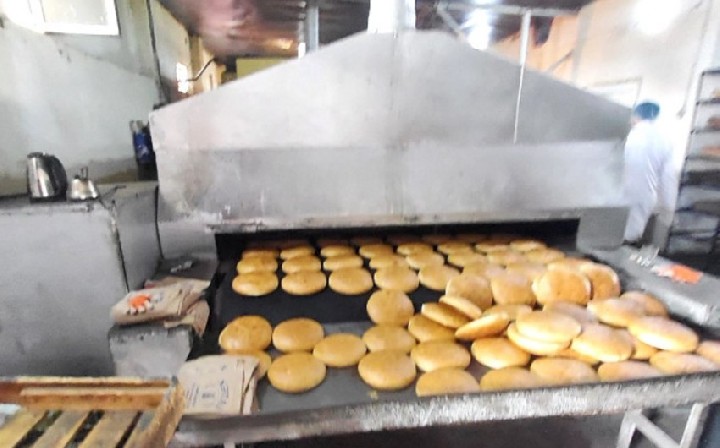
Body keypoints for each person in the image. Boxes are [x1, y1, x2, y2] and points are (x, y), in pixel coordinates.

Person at [623, 101, 676, 245]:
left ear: (635, 115)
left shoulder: (628, 135)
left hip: (614, 196)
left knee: (603, 239)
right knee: (629, 239)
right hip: (644, 196)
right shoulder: (665, 141)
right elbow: (668, 179)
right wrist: (668, 209)